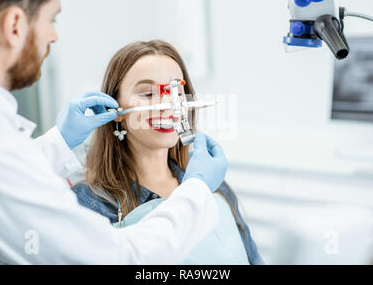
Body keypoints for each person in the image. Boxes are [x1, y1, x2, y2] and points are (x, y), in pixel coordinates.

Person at [0, 0, 227, 264]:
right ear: (14, 26)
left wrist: (59, 142)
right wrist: (198, 190)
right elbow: (119, 258)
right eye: (52, 19)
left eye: (175, 91)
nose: (54, 36)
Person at [72, 40, 265, 264]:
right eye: (147, 93)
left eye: (176, 91)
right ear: (116, 112)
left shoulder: (215, 188)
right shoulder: (90, 204)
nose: (167, 104)